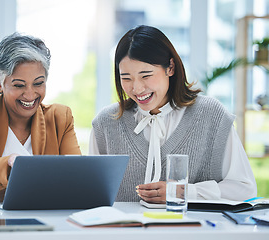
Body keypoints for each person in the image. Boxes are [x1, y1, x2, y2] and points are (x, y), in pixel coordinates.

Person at [89, 25, 257, 203]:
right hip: (125, 230)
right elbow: (90, 191)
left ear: (170, 67)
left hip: (196, 230)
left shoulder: (211, 115)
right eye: (126, 78)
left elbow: (244, 188)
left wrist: (184, 192)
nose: (136, 88)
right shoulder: (105, 123)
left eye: (146, 76)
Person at [0, 33, 81, 202]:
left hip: (47, 219)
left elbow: (78, 179)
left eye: (38, 83)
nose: (29, 94)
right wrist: (9, 165)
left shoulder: (60, 118)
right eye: (19, 85)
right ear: (0, 83)